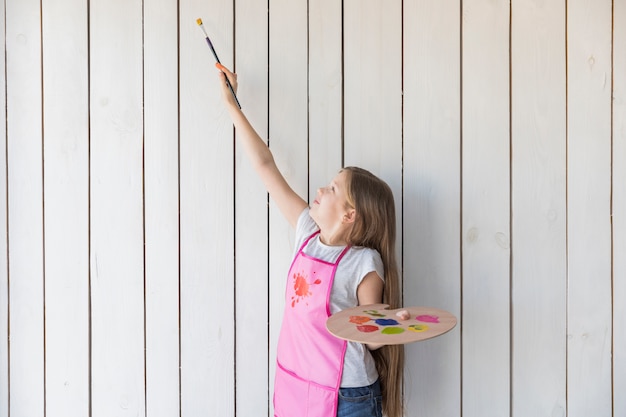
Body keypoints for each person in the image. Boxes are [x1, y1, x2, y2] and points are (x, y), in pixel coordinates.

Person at [215, 63, 405, 417]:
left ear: (350, 215)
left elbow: (371, 335)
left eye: (333, 188)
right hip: (296, 382)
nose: (320, 189)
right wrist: (231, 104)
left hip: (347, 396)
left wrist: (395, 326)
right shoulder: (307, 233)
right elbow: (265, 166)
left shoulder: (364, 262)